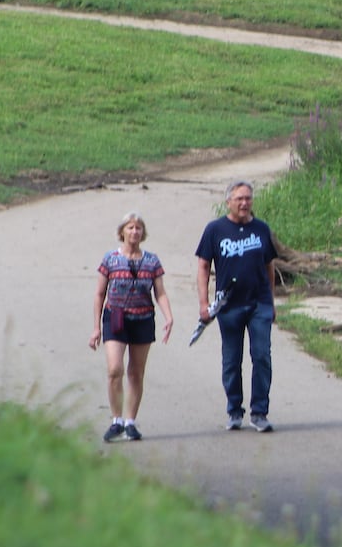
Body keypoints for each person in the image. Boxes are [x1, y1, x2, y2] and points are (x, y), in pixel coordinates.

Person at [195, 180, 280, 433]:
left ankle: (259, 412)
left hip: (259, 304)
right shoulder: (215, 230)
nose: (244, 203)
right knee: (232, 360)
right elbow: (203, 266)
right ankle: (234, 410)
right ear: (228, 202)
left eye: (248, 199)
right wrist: (203, 303)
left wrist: (271, 301)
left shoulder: (261, 229)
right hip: (229, 306)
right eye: (239, 199)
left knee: (262, 356)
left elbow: (269, 266)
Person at [90, 212, 175, 442]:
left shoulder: (152, 261)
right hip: (115, 318)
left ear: (142, 233)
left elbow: (160, 292)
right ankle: (116, 419)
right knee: (114, 369)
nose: (134, 232)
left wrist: (168, 316)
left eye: (138, 228)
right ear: (122, 232)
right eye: (130, 227)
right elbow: (99, 294)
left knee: (136, 373)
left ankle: (130, 422)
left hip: (143, 319)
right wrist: (96, 327)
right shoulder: (110, 259)